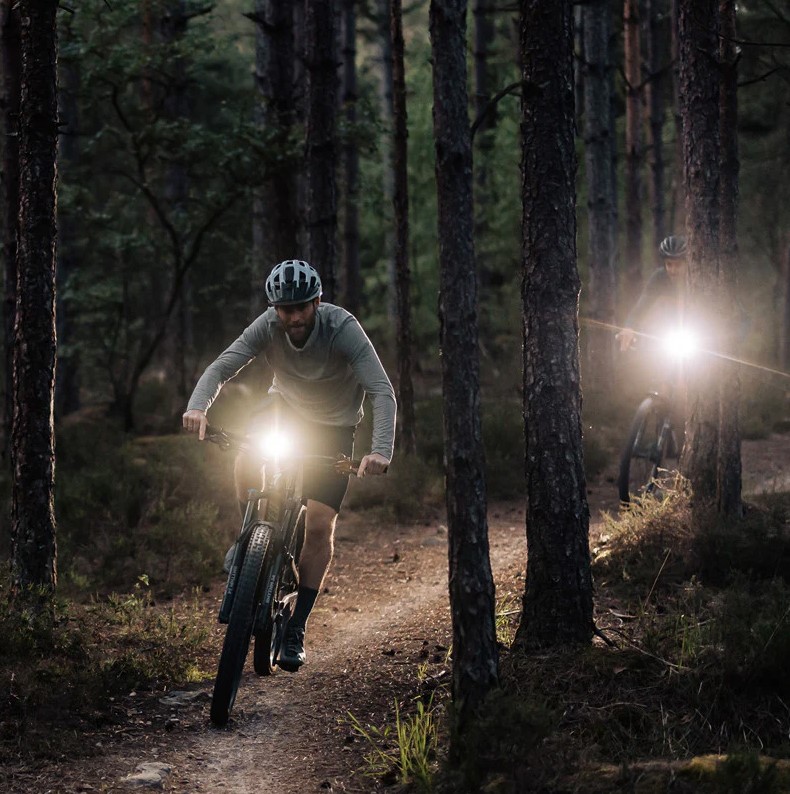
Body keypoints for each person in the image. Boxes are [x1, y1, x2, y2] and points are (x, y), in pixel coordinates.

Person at [182, 259, 396, 672]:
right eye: (285, 309)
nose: (294, 317)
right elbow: (222, 367)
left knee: (319, 525)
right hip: (284, 410)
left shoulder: (343, 328)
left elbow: (381, 391)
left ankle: (296, 626)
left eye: (301, 307)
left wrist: (380, 450)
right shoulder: (268, 326)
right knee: (249, 453)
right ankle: (247, 537)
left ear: (317, 302)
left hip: (335, 428)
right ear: (275, 309)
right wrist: (197, 407)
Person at [616, 234, 688, 352]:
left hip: (695, 330)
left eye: (678, 265)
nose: (673, 270)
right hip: (669, 331)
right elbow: (641, 307)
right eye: (669, 264)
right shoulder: (659, 277)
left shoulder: (696, 278)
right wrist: (630, 327)